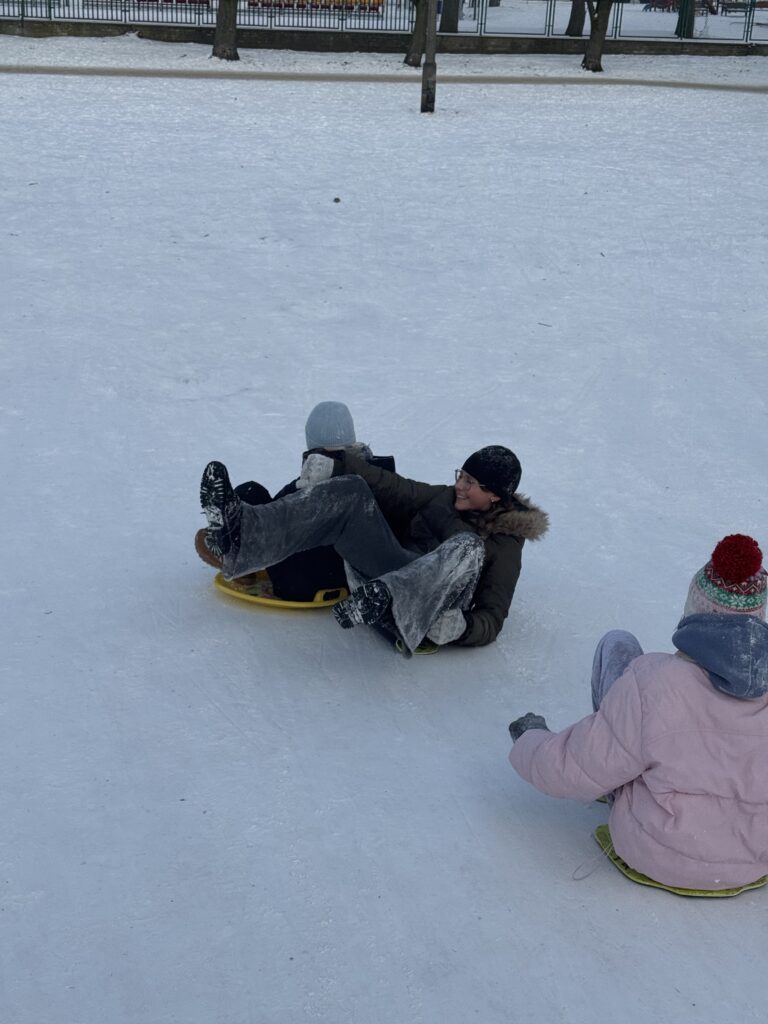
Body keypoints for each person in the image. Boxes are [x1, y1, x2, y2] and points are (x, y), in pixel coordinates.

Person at [508, 534, 768, 892]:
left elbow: (569, 769)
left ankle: (615, 770)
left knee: (618, 645)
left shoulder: (656, 683)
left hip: (657, 851)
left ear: (696, 609)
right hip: (751, 861)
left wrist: (529, 740)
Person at [199, 444, 548, 654]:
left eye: (471, 483)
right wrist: (339, 465)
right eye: (461, 475)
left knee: (467, 547)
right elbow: (394, 487)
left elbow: (493, 617)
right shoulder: (444, 498)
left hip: (424, 613)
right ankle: (241, 535)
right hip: (382, 588)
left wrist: (461, 628)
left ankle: (390, 600)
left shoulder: (505, 544)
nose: (459, 485)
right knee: (353, 491)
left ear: (496, 495)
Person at [195, 401, 394, 602]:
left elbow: (277, 513)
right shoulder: (380, 477)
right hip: (352, 582)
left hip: (298, 584)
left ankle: (236, 550)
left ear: (310, 440)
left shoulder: (307, 485)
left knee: (252, 493)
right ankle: (236, 542)